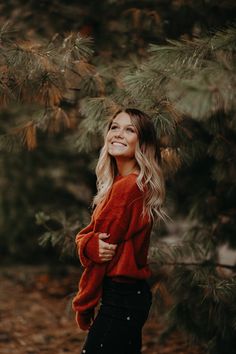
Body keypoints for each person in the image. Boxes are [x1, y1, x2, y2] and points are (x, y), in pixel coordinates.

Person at [72, 108, 166, 354]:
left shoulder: (127, 189)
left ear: (142, 143)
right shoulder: (130, 184)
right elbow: (96, 238)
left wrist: (84, 305)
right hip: (131, 295)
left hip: (121, 298)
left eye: (129, 129)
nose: (118, 134)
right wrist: (87, 242)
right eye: (114, 127)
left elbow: (101, 259)